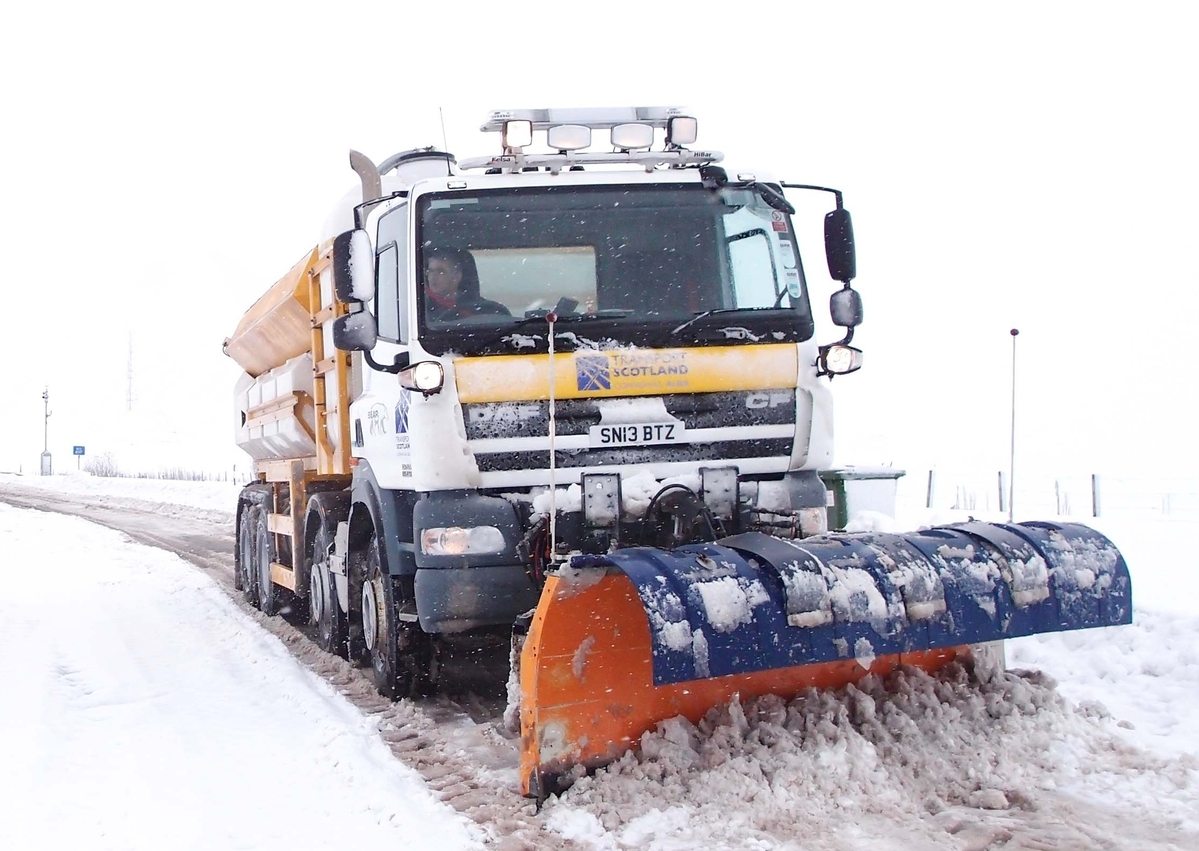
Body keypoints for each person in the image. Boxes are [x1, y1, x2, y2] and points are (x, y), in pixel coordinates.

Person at [423, 247, 512, 321]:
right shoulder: (421, 312)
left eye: (440, 272)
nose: (432, 277)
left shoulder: (487, 310)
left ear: (456, 277)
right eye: (430, 271)